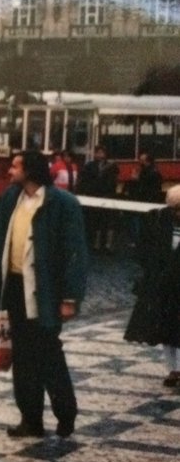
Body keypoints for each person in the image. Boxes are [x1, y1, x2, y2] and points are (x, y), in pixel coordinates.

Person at [0, 150, 88, 439]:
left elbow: (76, 253)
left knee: (48, 353)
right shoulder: (11, 198)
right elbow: (1, 246)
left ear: (30, 170)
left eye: (16, 166)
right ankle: (30, 419)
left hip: (47, 291)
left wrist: (69, 298)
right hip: (16, 288)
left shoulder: (62, 203)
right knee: (21, 356)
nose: (10, 171)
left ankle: (65, 413)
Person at [124, 185, 180, 387]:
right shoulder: (158, 219)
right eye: (175, 208)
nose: (177, 213)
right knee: (166, 328)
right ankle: (173, 369)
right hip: (162, 283)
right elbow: (144, 248)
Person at [77, 144, 120, 254]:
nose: (100, 155)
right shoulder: (89, 166)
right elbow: (84, 181)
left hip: (108, 197)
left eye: (102, 152)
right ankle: (95, 244)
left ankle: (108, 245)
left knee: (109, 222)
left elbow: (113, 182)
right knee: (95, 222)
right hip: (94, 196)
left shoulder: (112, 166)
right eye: (98, 152)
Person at [127, 152, 164, 247]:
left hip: (144, 201)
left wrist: (135, 179)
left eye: (142, 160)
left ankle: (138, 241)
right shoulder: (154, 172)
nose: (140, 162)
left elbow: (142, 186)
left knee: (140, 222)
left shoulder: (147, 173)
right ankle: (143, 241)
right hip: (148, 201)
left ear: (147, 161)